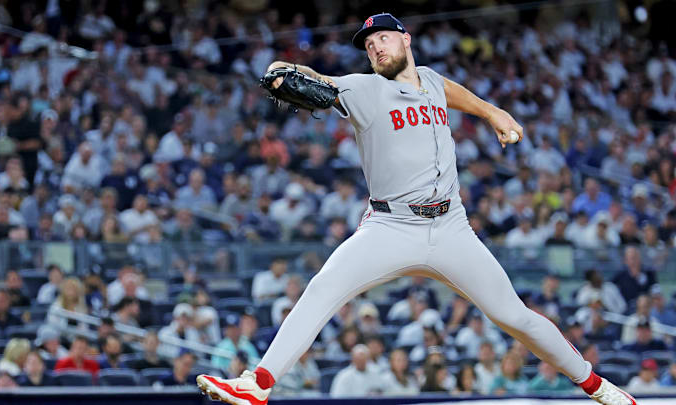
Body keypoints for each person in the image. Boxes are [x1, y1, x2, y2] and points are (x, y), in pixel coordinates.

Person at [195, 13, 637, 405]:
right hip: (391, 226)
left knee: (514, 316)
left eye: (381, 39)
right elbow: (317, 80)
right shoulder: (365, 89)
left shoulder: (429, 79)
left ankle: (600, 388)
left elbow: (448, 90)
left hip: (451, 228)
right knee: (324, 286)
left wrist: (491, 112)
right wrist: (279, 71)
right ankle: (259, 383)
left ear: (404, 39)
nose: (374, 48)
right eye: (368, 47)